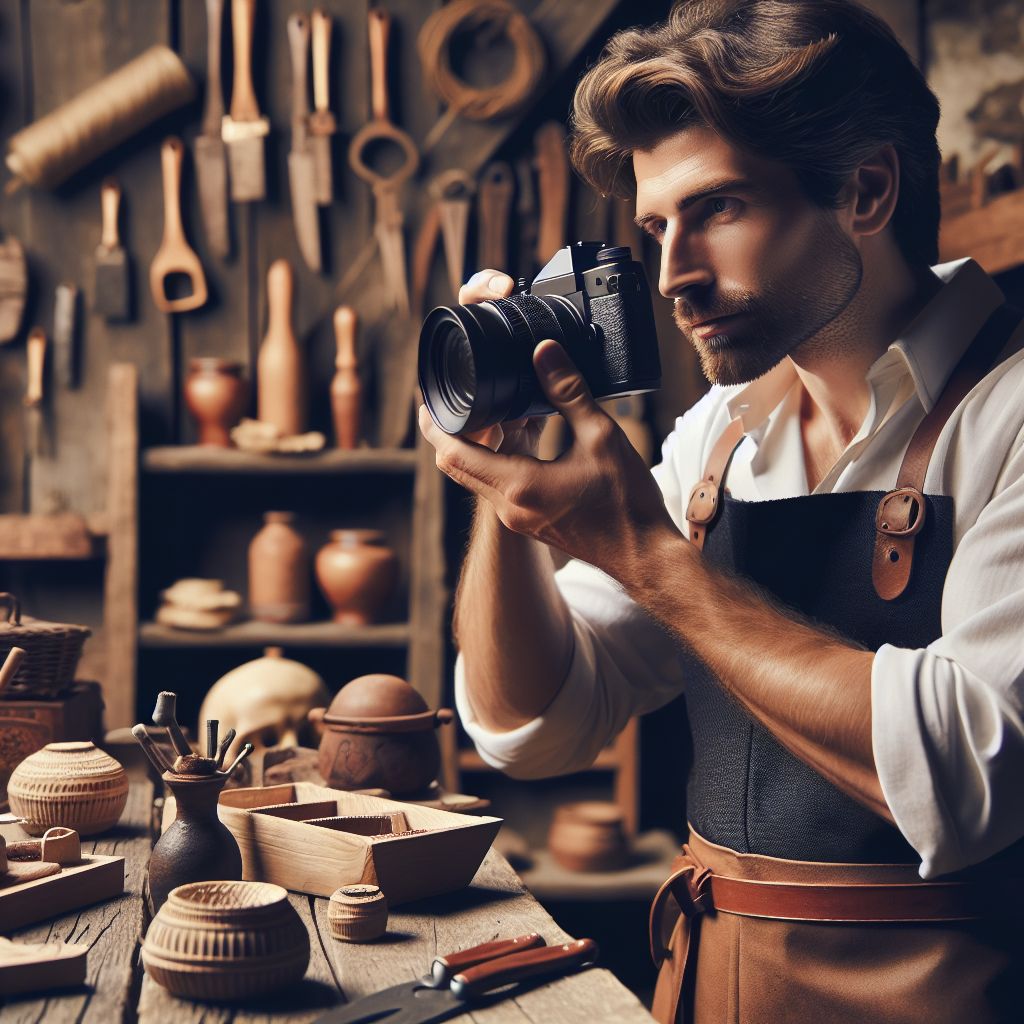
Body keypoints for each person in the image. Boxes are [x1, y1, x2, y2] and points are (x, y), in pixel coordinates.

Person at [418, 1, 1024, 1021]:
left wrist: (655, 565)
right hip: (708, 985)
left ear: (866, 189)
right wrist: (504, 484)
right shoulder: (717, 438)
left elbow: (970, 773)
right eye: (657, 226)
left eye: (719, 209)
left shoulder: (1008, 412)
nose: (673, 276)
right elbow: (534, 723)